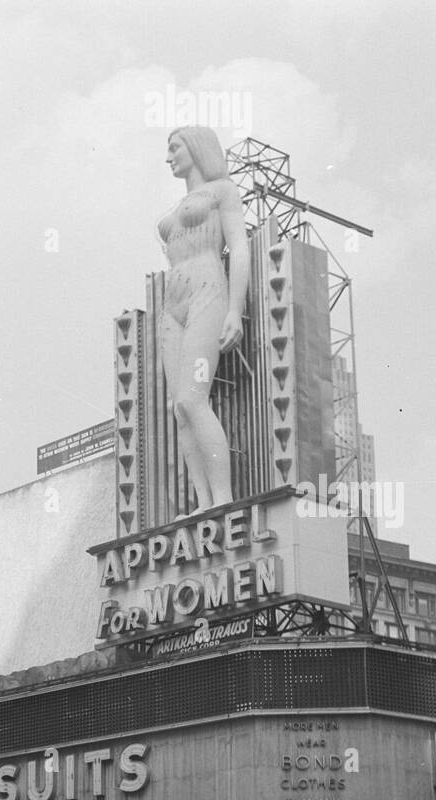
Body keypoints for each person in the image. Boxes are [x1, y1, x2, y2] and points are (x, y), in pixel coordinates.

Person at [157, 126, 248, 512]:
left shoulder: (223, 191)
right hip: (172, 305)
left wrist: (235, 310)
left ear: (196, 148)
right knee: (180, 409)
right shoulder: (176, 210)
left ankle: (222, 501)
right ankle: (203, 503)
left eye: (175, 148)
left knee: (195, 400)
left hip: (208, 291)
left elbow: (239, 247)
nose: (169, 157)